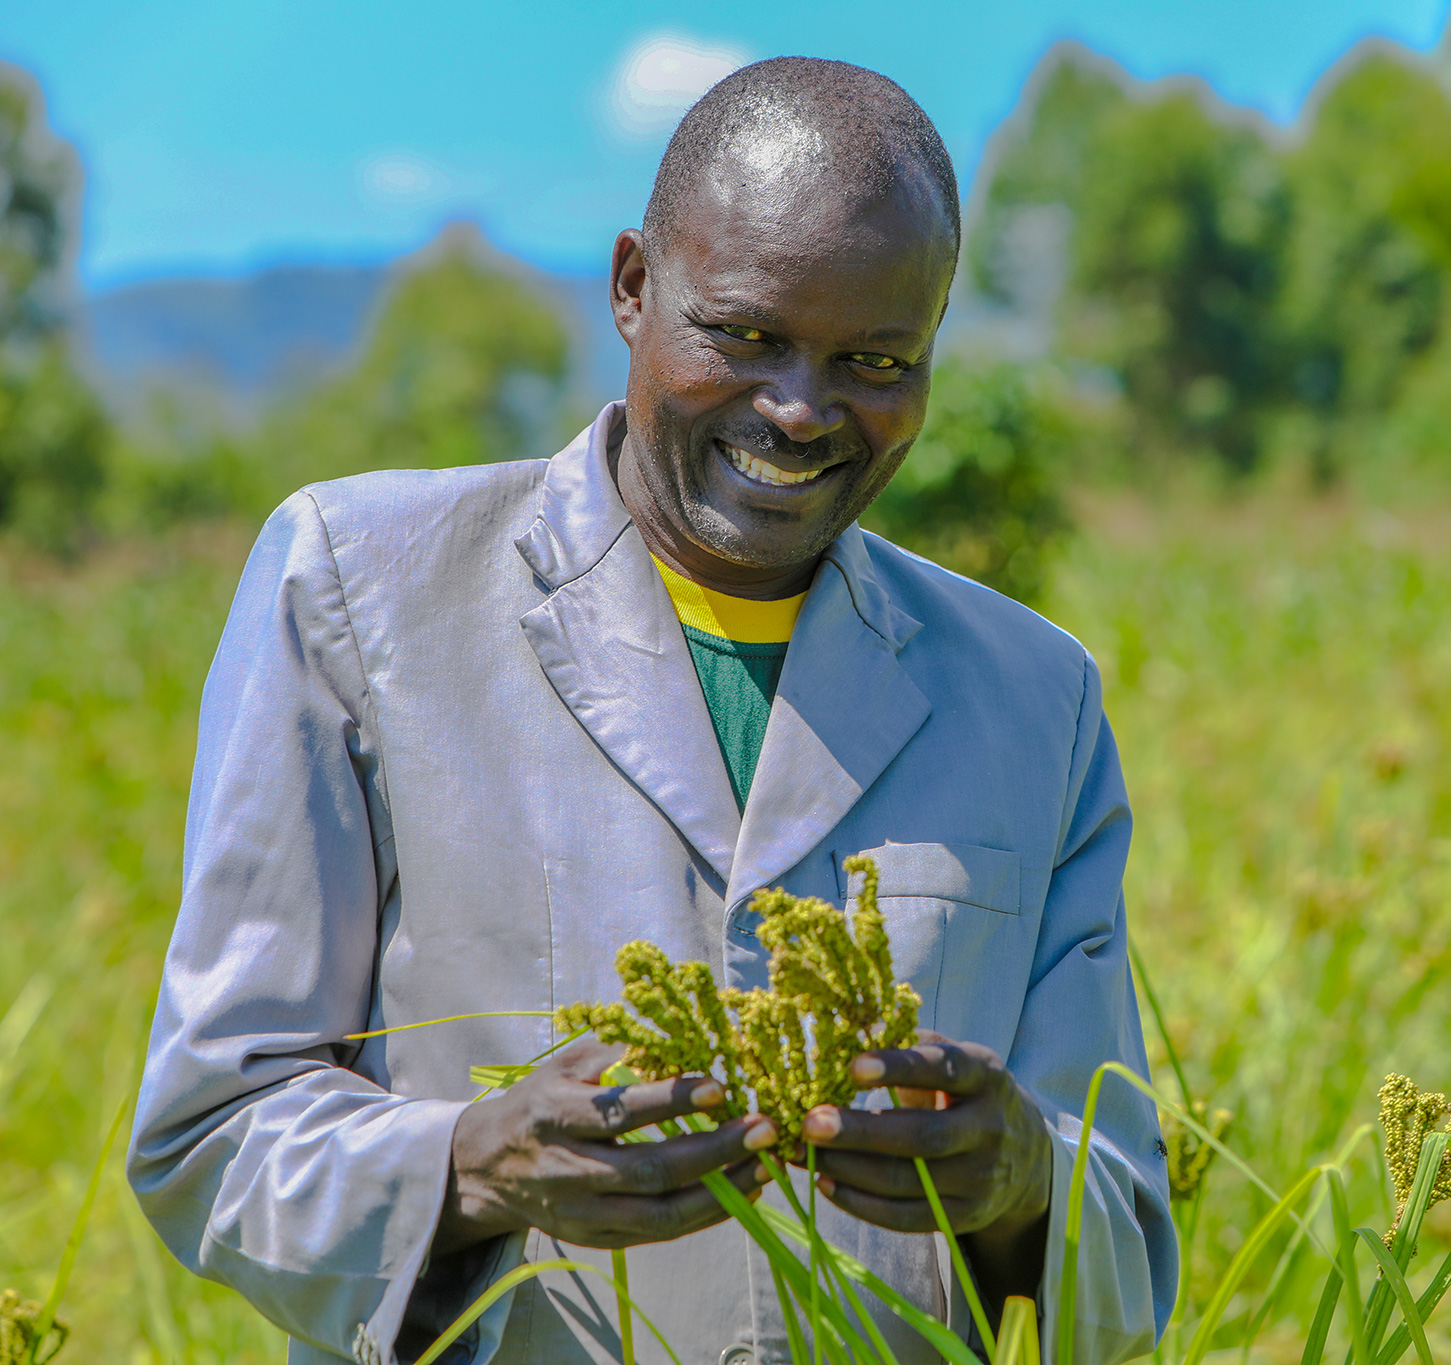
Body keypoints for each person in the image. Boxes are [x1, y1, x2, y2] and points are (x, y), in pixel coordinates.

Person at [128, 56, 1173, 1365]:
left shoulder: (1035, 699)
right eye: (745, 334)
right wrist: (470, 1163)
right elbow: (205, 1131)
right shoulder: (360, 587)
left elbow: (1130, 1246)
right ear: (632, 286)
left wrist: (1022, 1176)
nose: (798, 409)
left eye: (874, 358)